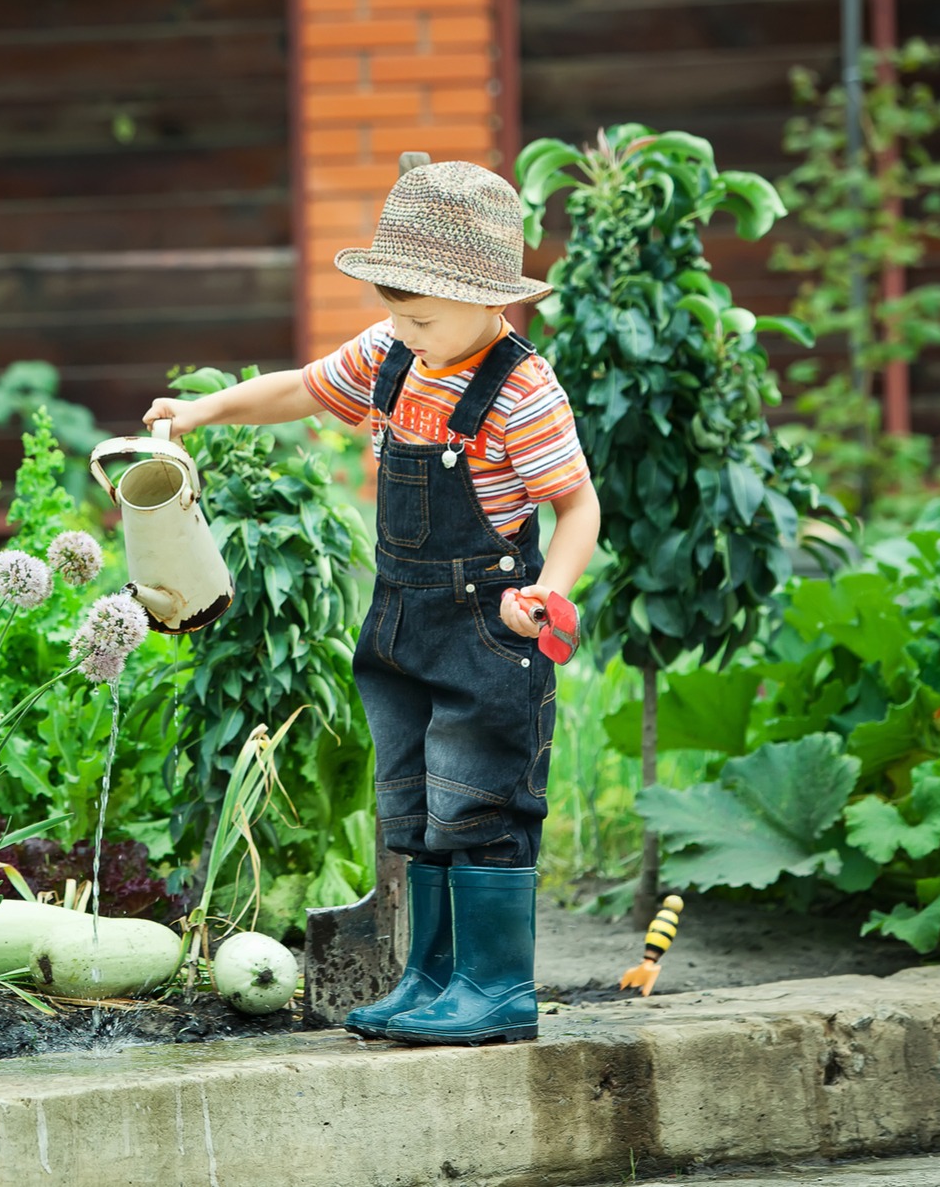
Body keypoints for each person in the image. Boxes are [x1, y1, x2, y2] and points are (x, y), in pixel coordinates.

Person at [141, 160, 600, 1045]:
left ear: (491, 300)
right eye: (395, 312)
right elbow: (305, 387)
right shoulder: (395, 354)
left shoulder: (522, 389)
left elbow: (578, 504)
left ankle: (495, 986)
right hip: (401, 623)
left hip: (488, 626)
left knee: (483, 797)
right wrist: (204, 411)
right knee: (417, 802)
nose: (402, 331)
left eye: (420, 317)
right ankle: (431, 975)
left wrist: (551, 588)